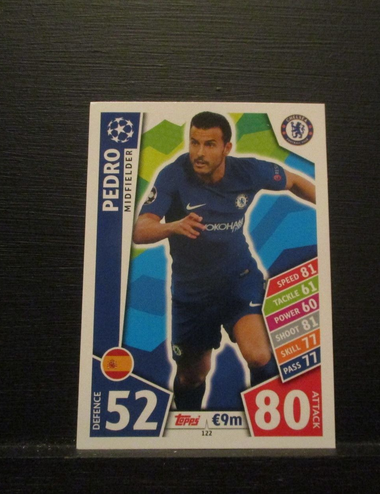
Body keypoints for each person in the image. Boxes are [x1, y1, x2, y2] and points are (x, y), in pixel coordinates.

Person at [133, 111, 315, 410]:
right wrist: (173, 226)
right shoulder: (173, 175)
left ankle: (263, 427)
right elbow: (140, 230)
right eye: (194, 142)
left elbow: (293, 181)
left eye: (209, 144)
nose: (199, 153)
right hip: (192, 293)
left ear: (227, 148)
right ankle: (188, 425)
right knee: (192, 376)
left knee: (259, 355)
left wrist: (330, 208)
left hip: (238, 280)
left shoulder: (249, 171)